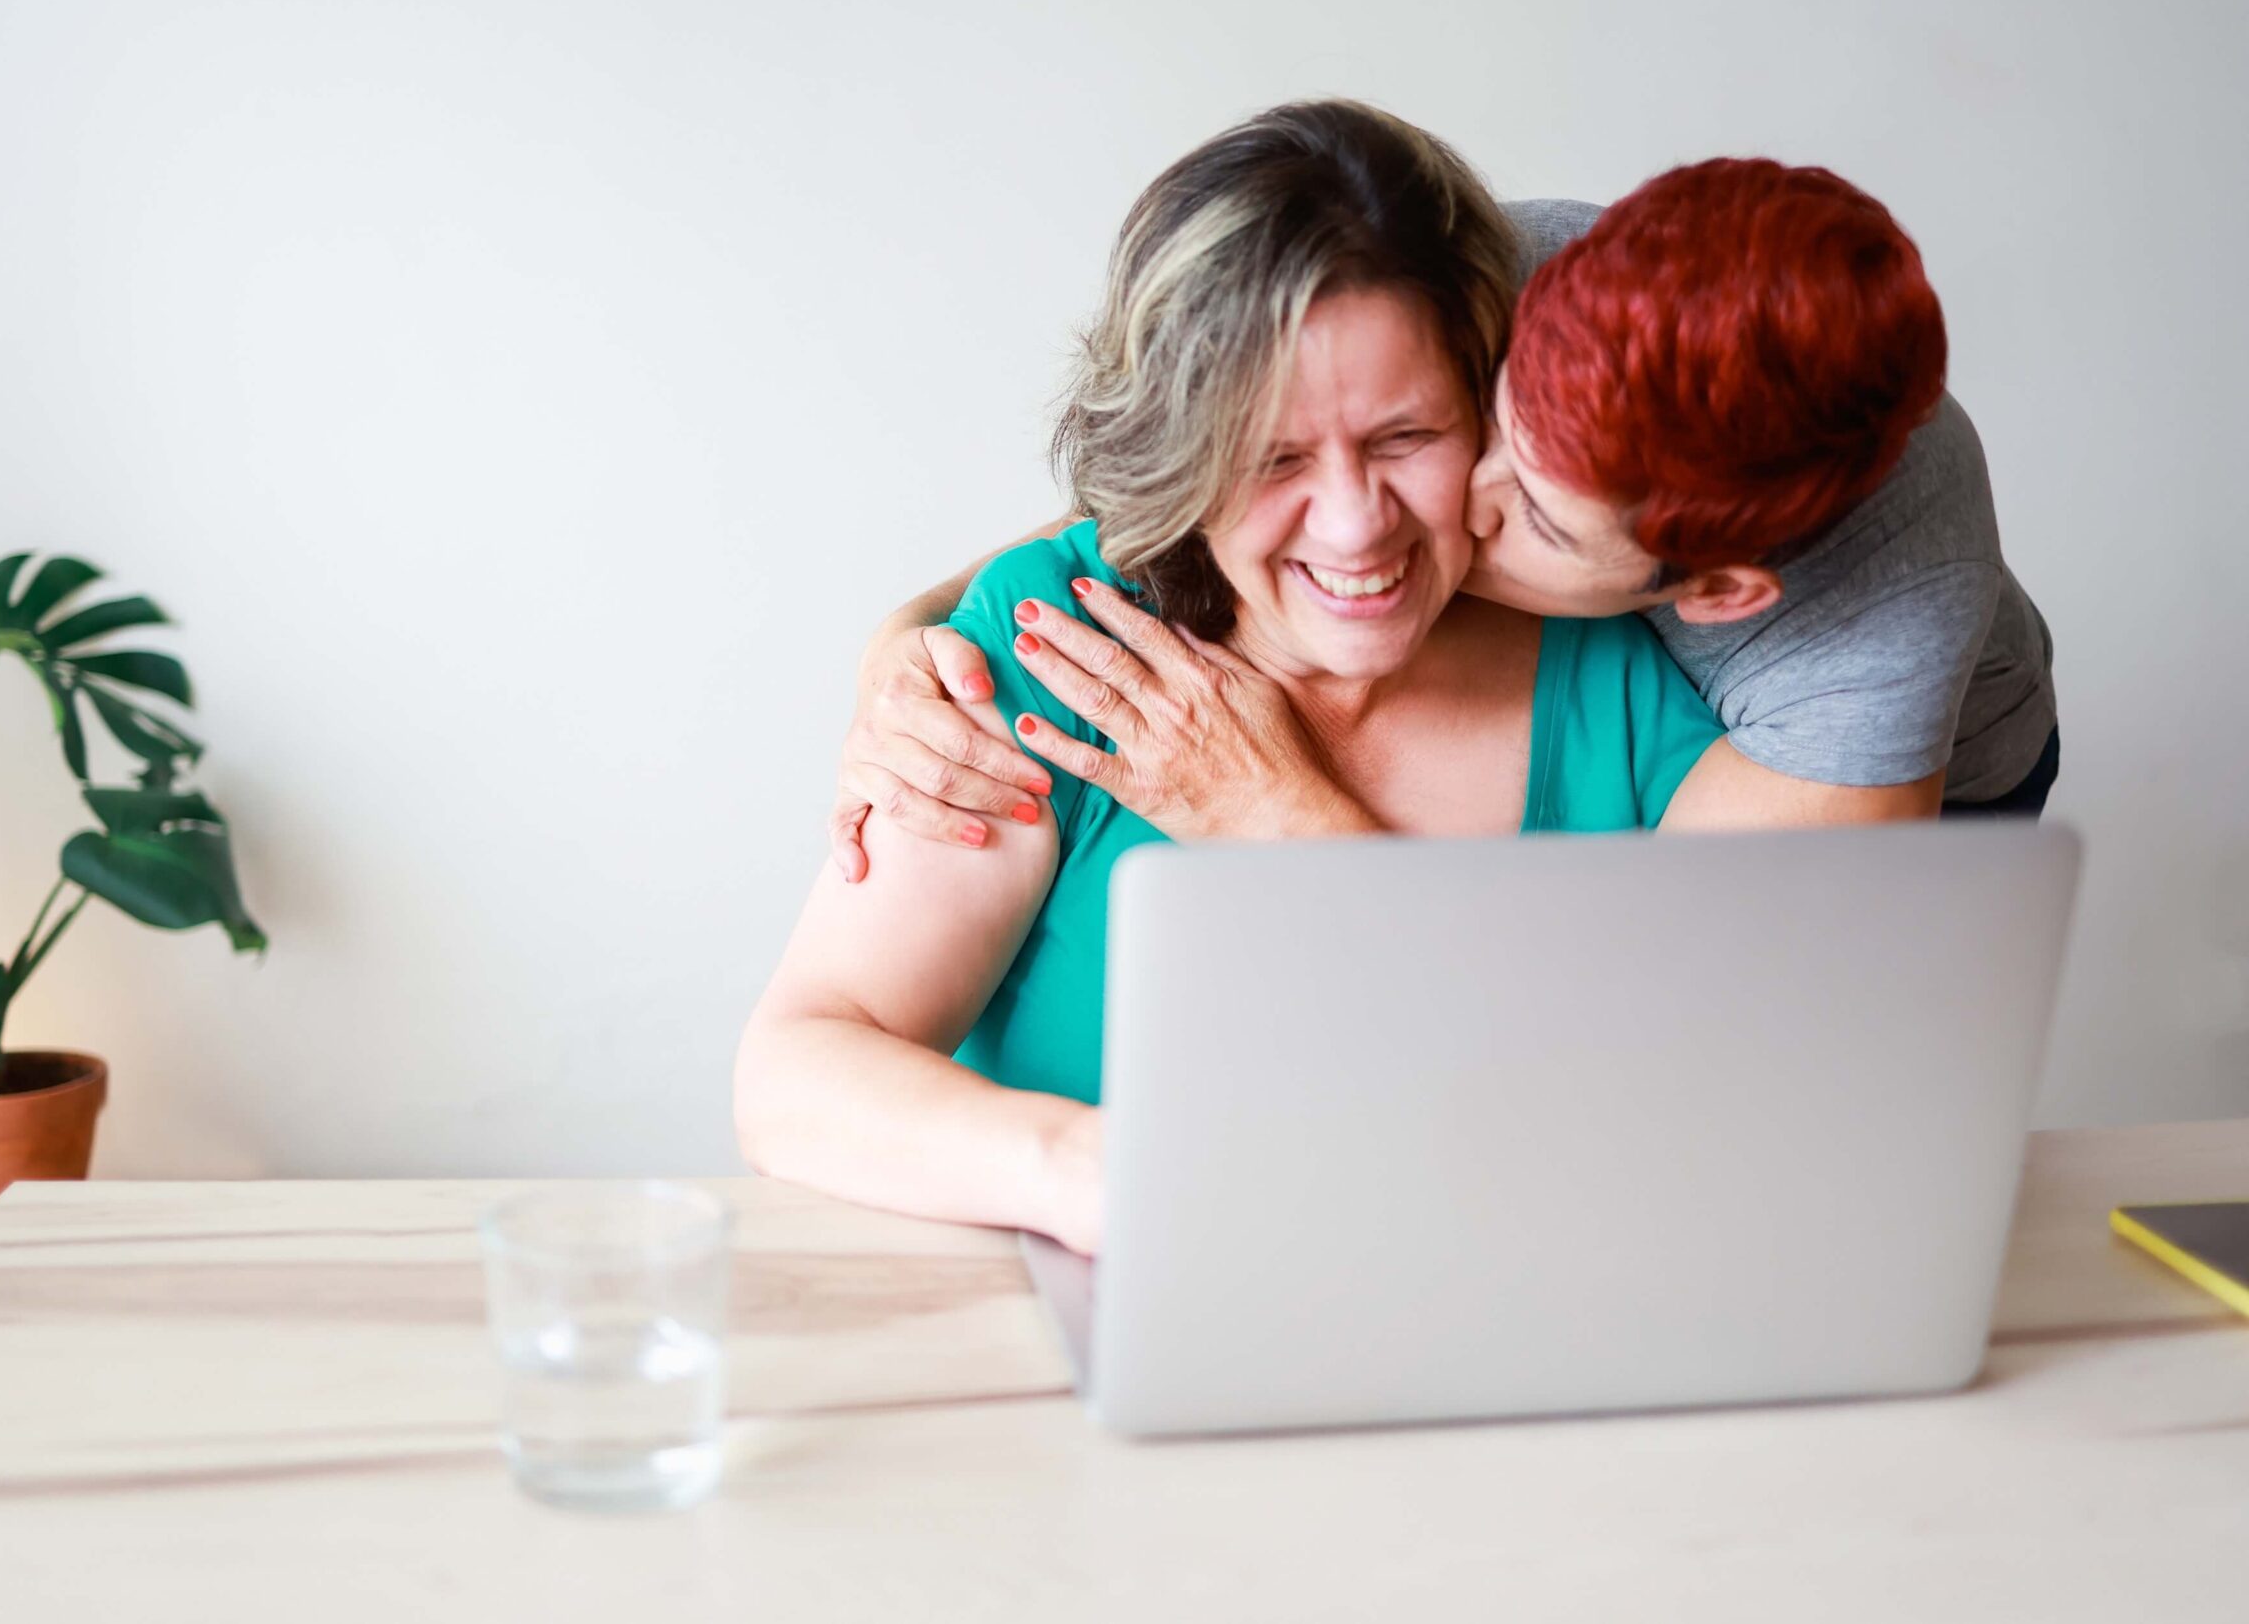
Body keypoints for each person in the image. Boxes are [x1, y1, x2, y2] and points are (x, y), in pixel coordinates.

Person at [738, 102, 1724, 1253]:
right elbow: (800, 1064)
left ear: (1491, 409)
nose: (1356, 526)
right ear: (1181, 459)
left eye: (1407, 436)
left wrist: (1287, 826)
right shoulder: (1060, 644)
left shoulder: (1615, 671)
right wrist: (1084, 1172)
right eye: (1275, 457)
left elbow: (1676, 1109)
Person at [829, 155, 2056, 878]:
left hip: (1904, 797)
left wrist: (1283, 821)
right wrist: (916, 629)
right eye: (1465, 427)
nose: (1408, 519)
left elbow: (1631, 1029)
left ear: (1711, 589)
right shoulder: (1478, 275)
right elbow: (1202, 478)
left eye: (1533, 521)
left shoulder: (1863, 664)